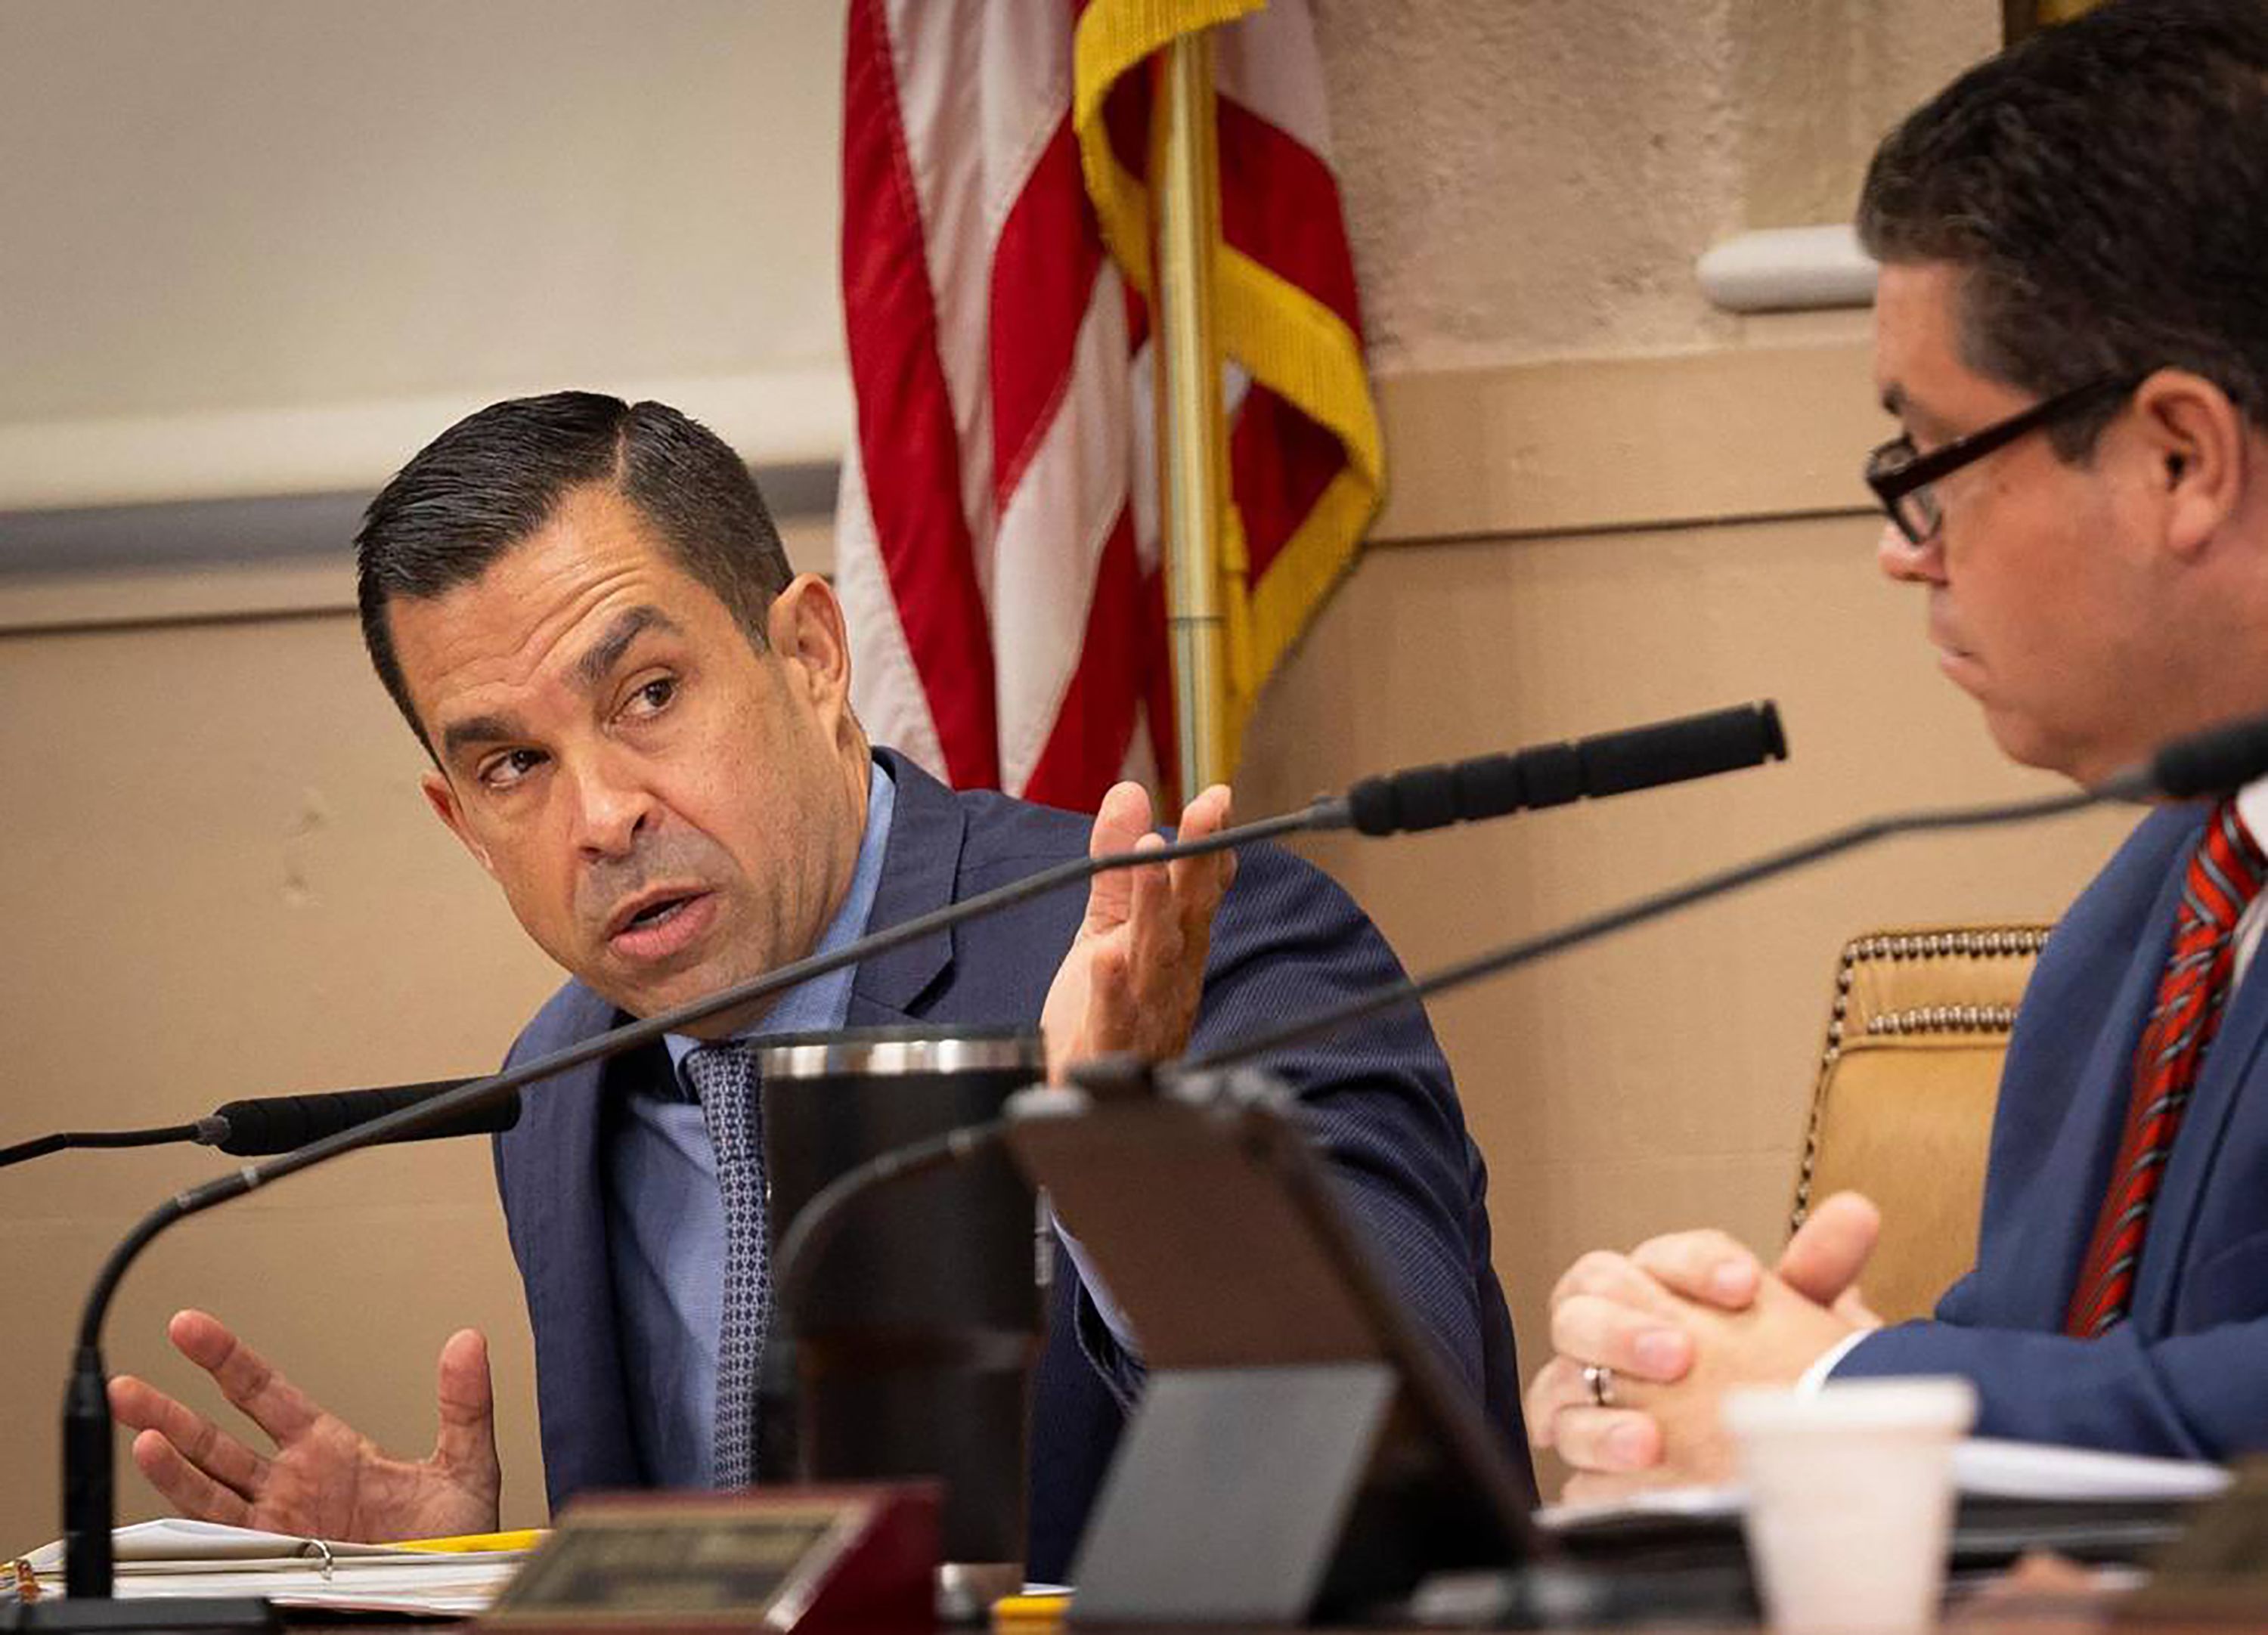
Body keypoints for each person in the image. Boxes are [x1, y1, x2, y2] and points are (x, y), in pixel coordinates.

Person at [107, 391, 1528, 1578]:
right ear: (460, 823)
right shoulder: (556, 1091)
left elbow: (1394, 1483)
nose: (601, 814)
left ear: (810, 657)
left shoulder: (1183, 943)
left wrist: (1124, 1162)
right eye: (512, 766)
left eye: (648, 693)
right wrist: (472, 1587)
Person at [1525, 0, 2268, 1497]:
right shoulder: (2137, 928)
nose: (1900, 550)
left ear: (2180, 457)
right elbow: (2053, 1390)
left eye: (1927, 459)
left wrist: (1838, 1394)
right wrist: (1711, 1403)